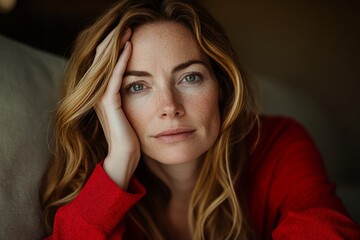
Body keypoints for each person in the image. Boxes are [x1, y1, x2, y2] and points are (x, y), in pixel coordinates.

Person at [39, 0, 360, 239]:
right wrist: (120, 161)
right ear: (108, 104)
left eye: (189, 78)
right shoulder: (98, 182)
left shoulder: (278, 142)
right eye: (137, 86)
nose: (170, 106)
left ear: (220, 85)